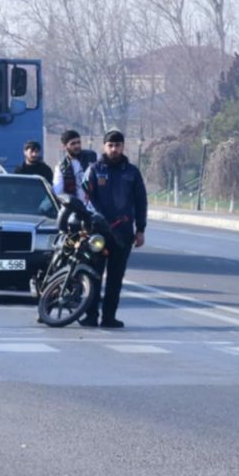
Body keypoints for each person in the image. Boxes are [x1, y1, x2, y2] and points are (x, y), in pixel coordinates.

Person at [80, 129, 147, 329]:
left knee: (115, 278)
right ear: (104, 146)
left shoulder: (132, 172)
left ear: (123, 147)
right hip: (98, 232)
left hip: (122, 232)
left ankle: (109, 317)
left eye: (117, 145)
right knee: (93, 275)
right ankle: (91, 316)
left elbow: (140, 201)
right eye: (110, 145)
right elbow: (85, 199)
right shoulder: (94, 170)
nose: (114, 149)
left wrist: (140, 229)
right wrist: (89, 224)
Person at [51, 129, 94, 211]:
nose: (77, 146)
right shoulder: (62, 167)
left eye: (78, 142)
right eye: (73, 144)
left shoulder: (92, 158)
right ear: (64, 146)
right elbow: (58, 192)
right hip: (74, 210)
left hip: (94, 208)